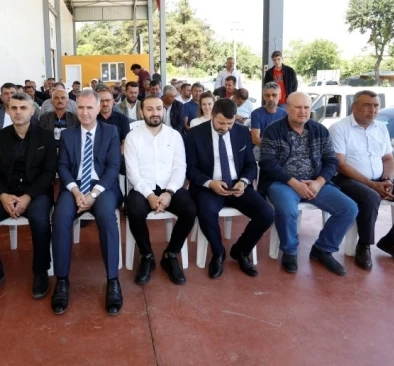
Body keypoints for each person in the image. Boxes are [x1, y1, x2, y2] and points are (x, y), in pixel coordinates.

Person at [329, 90, 394, 270]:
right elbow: (341, 165)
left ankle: (392, 241)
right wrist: (372, 185)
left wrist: (388, 181)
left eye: (376, 105)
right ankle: (364, 245)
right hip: (348, 180)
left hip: (380, 180)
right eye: (367, 105)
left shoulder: (381, 128)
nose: (373, 110)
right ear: (354, 107)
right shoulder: (339, 128)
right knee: (370, 196)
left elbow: (388, 159)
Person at [259, 92, 358, 276]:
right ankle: (290, 251)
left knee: (349, 208)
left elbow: (331, 161)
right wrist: (294, 183)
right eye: (298, 107)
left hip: (314, 182)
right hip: (283, 182)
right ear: (287, 109)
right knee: (287, 210)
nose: (303, 111)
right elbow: (267, 163)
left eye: (306, 107)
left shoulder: (319, 130)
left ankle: (323, 249)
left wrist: (319, 182)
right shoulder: (273, 130)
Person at [0, 93, 58, 303]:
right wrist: (3, 195)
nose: (18, 112)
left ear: (32, 110)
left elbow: (49, 173)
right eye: (14, 108)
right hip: (5, 192)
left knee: (40, 220)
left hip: (35, 193)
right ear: (8, 111)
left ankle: (40, 271)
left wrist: (28, 196)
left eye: (23, 108)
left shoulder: (46, 136)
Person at [50, 89, 124, 316]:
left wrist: (93, 194)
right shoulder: (68, 134)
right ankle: (62, 280)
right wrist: (75, 191)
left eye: (89, 107)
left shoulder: (110, 132)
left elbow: (113, 167)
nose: (84, 112)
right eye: (80, 107)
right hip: (75, 185)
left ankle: (113, 280)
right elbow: (63, 167)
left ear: (99, 107)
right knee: (60, 217)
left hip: (103, 186)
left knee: (107, 217)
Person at [185, 99, 274, 278]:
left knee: (267, 213)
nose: (225, 128)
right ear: (212, 115)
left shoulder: (241, 132)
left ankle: (241, 250)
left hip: (237, 184)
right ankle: (218, 253)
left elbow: (250, 164)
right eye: (221, 123)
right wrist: (210, 183)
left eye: (229, 123)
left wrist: (244, 182)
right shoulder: (194, 134)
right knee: (206, 213)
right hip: (208, 185)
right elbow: (190, 169)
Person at [125, 95, 197, 285]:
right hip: (142, 188)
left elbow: (180, 168)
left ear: (163, 111)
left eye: (158, 108)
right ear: (141, 112)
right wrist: (149, 195)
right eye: (149, 109)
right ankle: (147, 255)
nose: (155, 113)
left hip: (170, 186)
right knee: (134, 210)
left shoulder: (174, 136)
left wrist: (170, 192)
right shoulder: (132, 137)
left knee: (190, 209)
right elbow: (132, 172)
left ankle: (170, 254)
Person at [250, 82, 287, 160]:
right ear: (263, 97)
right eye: (267, 95)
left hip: (281, 150)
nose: (271, 98)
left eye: (274, 95)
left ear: (280, 96)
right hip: (262, 148)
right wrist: (273, 150)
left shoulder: (284, 113)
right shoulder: (256, 114)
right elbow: (255, 139)